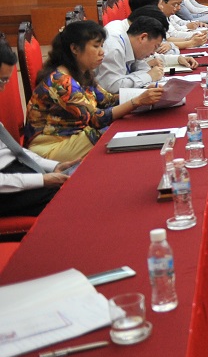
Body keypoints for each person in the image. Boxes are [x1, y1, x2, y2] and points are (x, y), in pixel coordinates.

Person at [24, 21, 163, 161]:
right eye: (96, 46)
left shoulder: (82, 72)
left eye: (102, 45)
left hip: (74, 136)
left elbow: (107, 99)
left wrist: (142, 93)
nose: (102, 52)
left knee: (119, 129)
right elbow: (97, 119)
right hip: (51, 147)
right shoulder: (62, 82)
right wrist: (136, 101)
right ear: (75, 48)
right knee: (110, 133)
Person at [0, 43, 77, 217]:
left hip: (14, 171)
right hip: (5, 188)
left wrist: (54, 166)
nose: (3, 89)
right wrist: (41, 180)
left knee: (75, 183)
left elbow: (13, 150)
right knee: (68, 197)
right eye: (2, 81)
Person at [98, 11, 170, 94]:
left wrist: (146, 77)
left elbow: (144, 68)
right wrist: (148, 76)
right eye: (155, 47)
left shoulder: (132, 47)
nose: (153, 53)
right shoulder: (115, 49)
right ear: (143, 37)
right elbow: (112, 87)